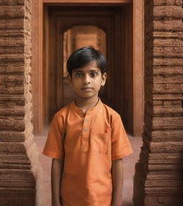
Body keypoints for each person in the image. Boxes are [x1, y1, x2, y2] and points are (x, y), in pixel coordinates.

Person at [43, 46, 132, 206]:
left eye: (93, 74)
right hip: (69, 199)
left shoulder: (112, 118)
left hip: (102, 199)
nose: (86, 80)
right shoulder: (61, 118)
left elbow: (117, 162)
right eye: (79, 74)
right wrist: (56, 201)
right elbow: (57, 162)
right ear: (70, 79)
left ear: (103, 78)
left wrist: (116, 203)